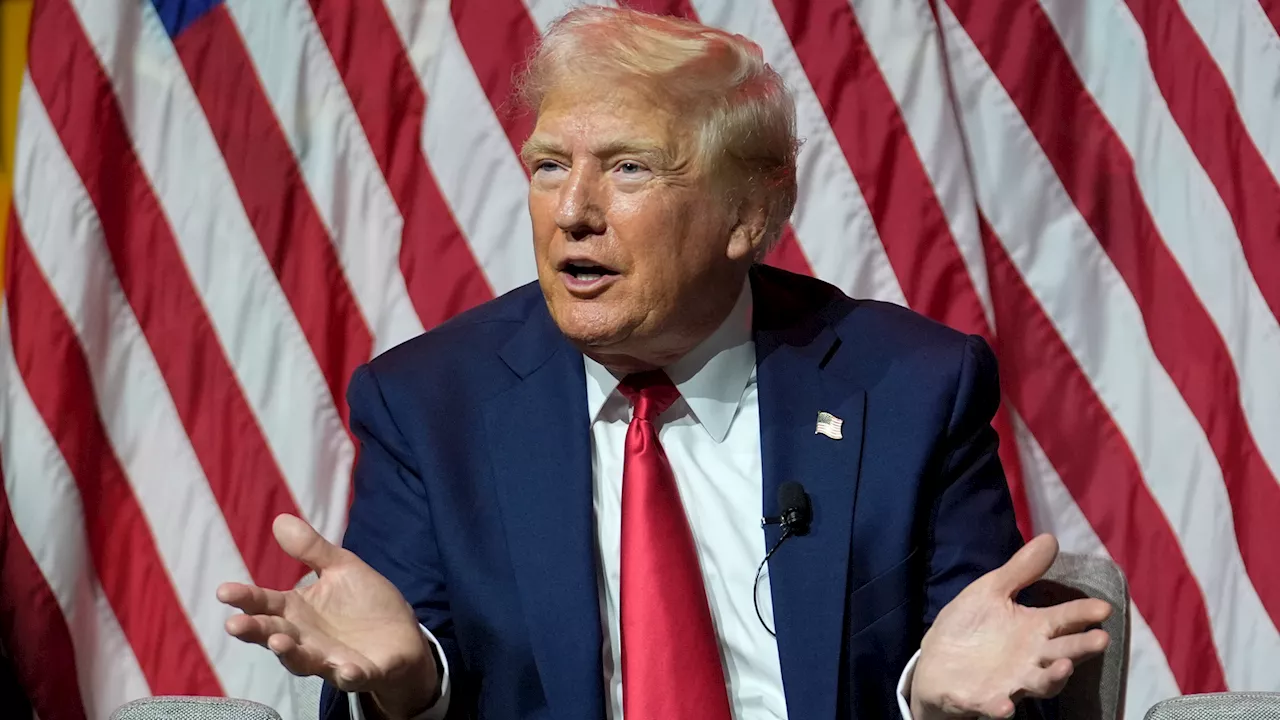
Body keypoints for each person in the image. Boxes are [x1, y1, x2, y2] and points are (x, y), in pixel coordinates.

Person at [216, 7, 1111, 720]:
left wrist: (931, 701)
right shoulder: (428, 402)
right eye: (549, 165)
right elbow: (397, 657)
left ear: (750, 215)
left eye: (630, 169)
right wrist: (412, 685)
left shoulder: (912, 387)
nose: (573, 211)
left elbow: (979, 652)